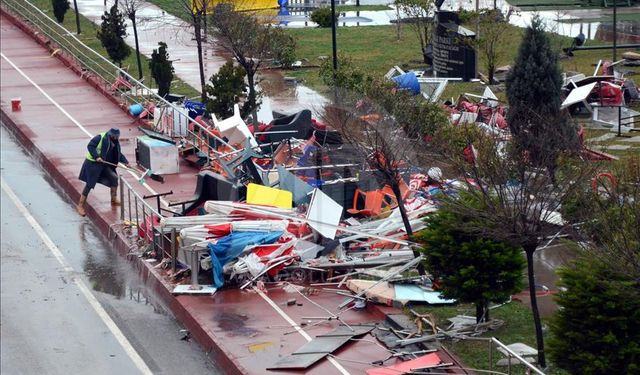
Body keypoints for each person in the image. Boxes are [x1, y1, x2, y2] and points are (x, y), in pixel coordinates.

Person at [77, 128, 129, 216]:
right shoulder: (100, 138)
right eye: (114, 137)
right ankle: (80, 205)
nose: (116, 138)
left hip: (104, 164)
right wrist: (96, 156)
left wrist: (126, 162)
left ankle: (113, 199)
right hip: (93, 163)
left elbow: (118, 154)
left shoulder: (115, 142)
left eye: (117, 137)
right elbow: (90, 146)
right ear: (110, 135)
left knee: (114, 178)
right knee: (89, 184)